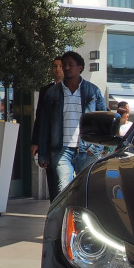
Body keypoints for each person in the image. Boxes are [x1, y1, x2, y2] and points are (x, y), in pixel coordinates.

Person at [33, 51, 106, 195]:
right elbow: (44, 125)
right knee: (63, 190)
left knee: (85, 190)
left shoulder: (93, 91)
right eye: (64, 65)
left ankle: (80, 217)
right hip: (61, 150)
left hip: (87, 150)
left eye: (70, 65)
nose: (66, 68)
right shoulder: (52, 93)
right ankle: (65, 217)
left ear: (80, 67)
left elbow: (103, 122)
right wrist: (43, 153)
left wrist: (98, 147)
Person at [30, 58, 63, 198]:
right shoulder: (45, 91)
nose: (57, 69)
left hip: (68, 142)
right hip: (50, 143)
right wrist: (35, 141)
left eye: (61, 66)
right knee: (53, 180)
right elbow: (40, 117)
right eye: (54, 66)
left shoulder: (74, 90)